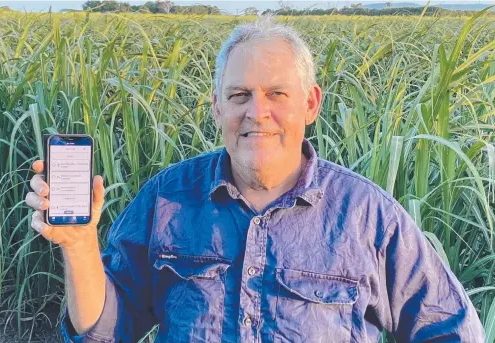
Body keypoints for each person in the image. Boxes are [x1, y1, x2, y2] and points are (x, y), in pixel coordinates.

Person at [25, 16, 485, 343]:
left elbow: (451, 328)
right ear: (217, 108)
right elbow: (103, 332)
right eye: (239, 95)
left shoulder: (368, 216)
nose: (256, 112)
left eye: (276, 94)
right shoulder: (167, 200)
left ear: (310, 105)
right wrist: (80, 244)